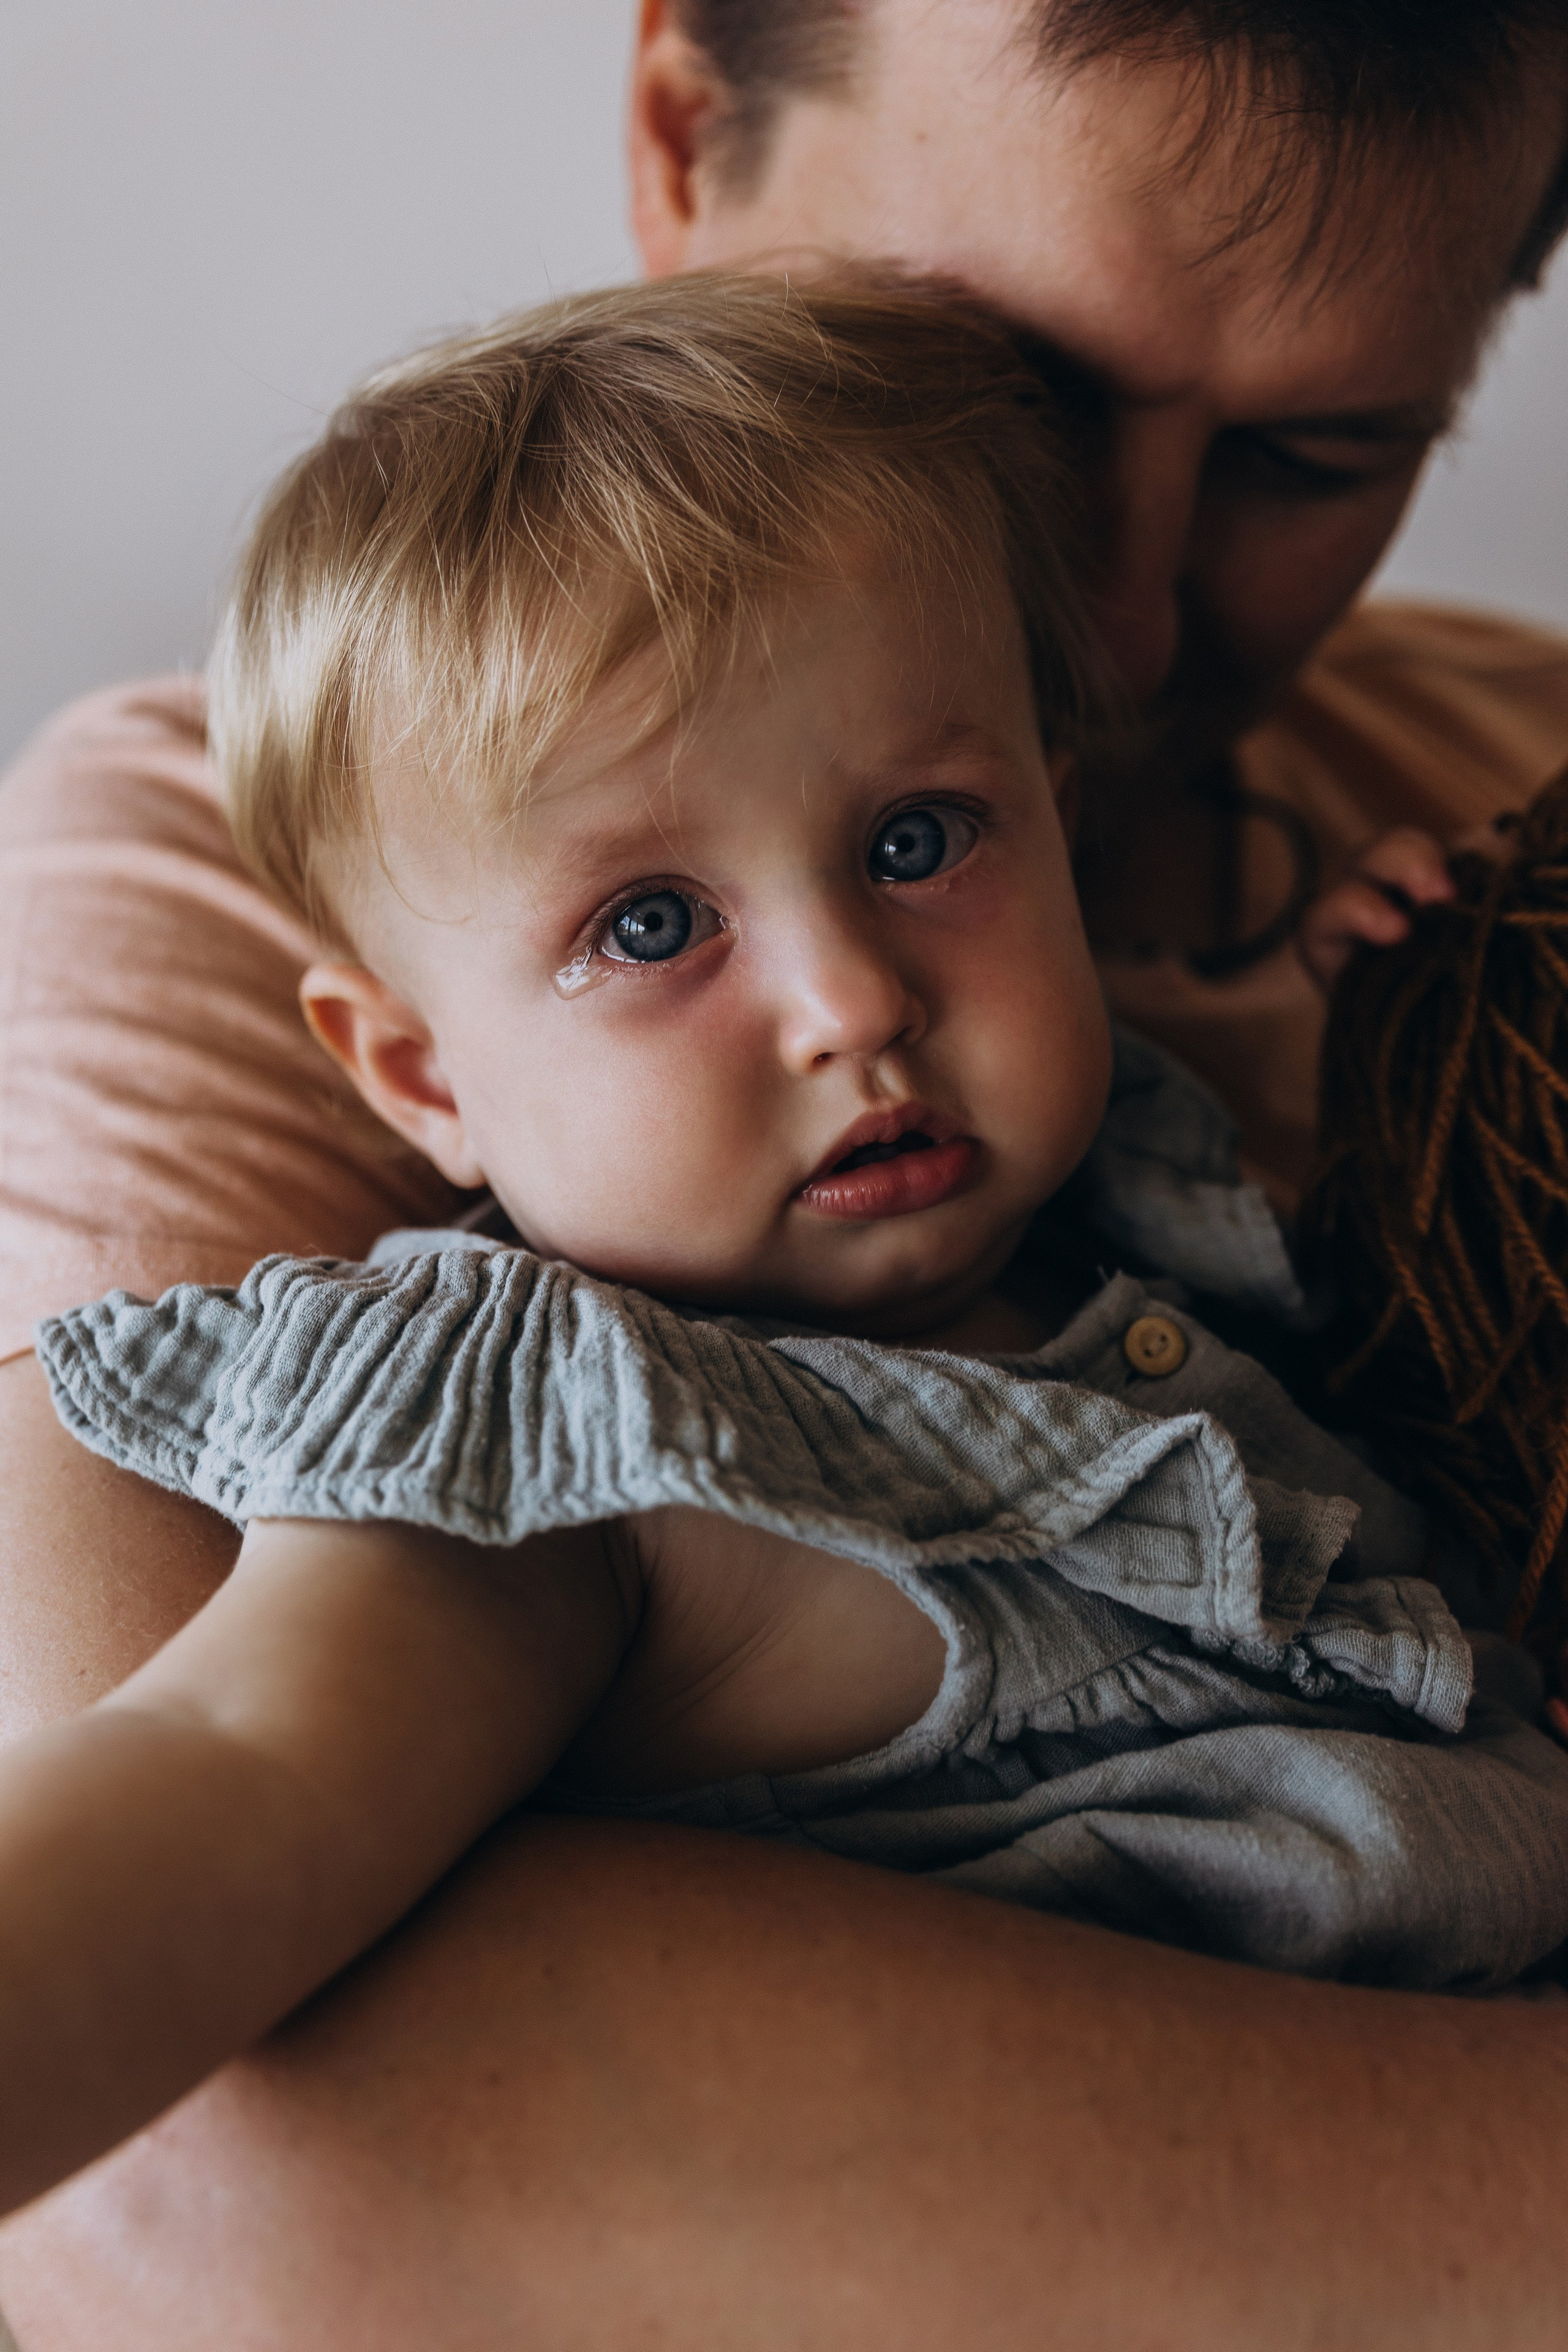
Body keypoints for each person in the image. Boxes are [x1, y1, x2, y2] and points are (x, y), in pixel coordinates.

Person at [3, 2, 1568, 2343]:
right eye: (651, 929)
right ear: (419, 1066)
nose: (1119, 627)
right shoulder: (551, 1444)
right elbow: (198, 2104)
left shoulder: (1215, 1136)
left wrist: (1431, 1054)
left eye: (1316, 453)